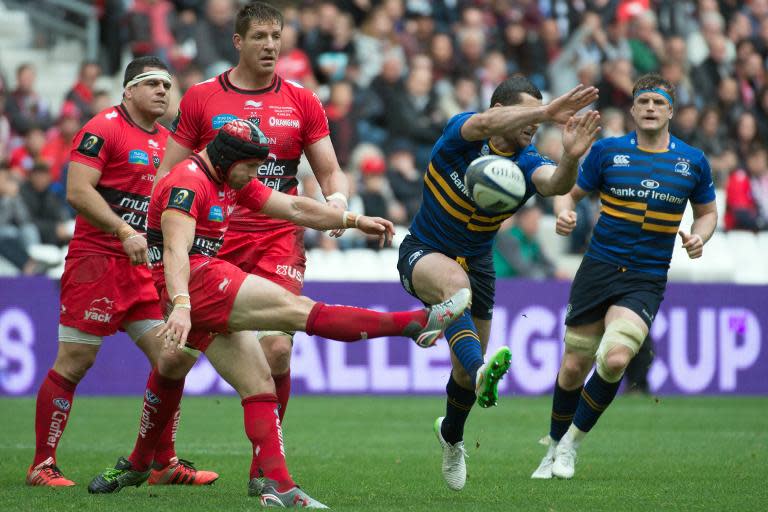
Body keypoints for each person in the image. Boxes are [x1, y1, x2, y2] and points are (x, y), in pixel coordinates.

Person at [87, 119, 470, 506]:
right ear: (227, 158)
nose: (255, 176)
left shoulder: (225, 176)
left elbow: (292, 206)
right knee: (297, 311)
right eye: (251, 168)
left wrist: (352, 221)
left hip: (197, 285)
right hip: (198, 282)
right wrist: (183, 305)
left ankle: (167, 468)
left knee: (252, 384)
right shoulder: (188, 183)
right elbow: (175, 251)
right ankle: (414, 324)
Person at [397, 75, 600, 491]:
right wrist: (545, 112)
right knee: (455, 289)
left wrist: (571, 158)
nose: (533, 126)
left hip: (478, 265)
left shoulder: (527, 162)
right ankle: (483, 367)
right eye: (526, 114)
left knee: (463, 375)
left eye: (537, 119)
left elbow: (555, 184)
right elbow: (484, 125)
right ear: (500, 110)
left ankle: (451, 436)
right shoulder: (462, 132)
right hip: (423, 250)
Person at [26, 56, 218, 488]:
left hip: (143, 269)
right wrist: (121, 228)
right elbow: (77, 192)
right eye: (152, 84)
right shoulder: (103, 128)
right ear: (128, 90)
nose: (162, 92)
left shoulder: (170, 142)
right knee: (75, 360)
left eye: (167, 86)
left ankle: (163, 462)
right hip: (96, 262)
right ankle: (42, 464)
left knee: (172, 358)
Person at [156, 1, 350, 424]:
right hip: (214, 239)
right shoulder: (202, 97)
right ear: (238, 42)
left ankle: (266, 465)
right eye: (259, 37)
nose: (270, 46)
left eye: (276, 37)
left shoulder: (302, 100)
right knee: (174, 359)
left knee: (278, 349)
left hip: (279, 235)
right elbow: (169, 173)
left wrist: (337, 203)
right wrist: (164, 236)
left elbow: (331, 171)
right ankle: (155, 460)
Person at [531, 73, 717, 480]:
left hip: (646, 276)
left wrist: (700, 237)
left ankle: (570, 446)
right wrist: (563, 211)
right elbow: (569, 191)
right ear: (633, 109)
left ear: (671, 111)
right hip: (597, 269)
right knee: (572, 368)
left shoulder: (692, 162)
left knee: (616, 357)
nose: (651, 108)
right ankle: (552, 445)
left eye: (659, 102)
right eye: (644, 101)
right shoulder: (607, 153)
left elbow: (706, 213)